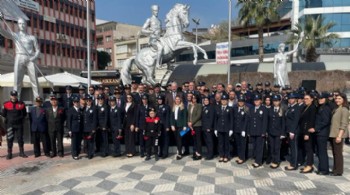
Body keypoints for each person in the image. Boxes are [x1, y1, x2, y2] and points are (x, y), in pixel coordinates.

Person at [0, 17, 40, 98]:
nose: (22, 25)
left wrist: (34, 57)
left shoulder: (32, 37)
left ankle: (37, 98)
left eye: (23, 23)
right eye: (20, 23)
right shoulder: (15, 35)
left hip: (30, 58)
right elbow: (3, 32)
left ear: (26, 25)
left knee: (34, 80)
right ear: (18, 25)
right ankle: (16, 98)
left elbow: (38, 50)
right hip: (19, 56)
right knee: (17, 81)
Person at [2, 90, 27, 159]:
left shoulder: (21, 104)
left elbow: (24, 114)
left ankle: (21, 152)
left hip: (19, 125)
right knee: (9, 139)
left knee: (20, 139)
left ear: (17, 96)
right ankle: (9, 153)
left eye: (15, 95)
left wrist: (20, 119)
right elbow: (3, 114)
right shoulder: (6, 104)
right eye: (12, 95)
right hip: (10, 125)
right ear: (10, 96)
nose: (14, 97)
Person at [329, 93, 349, 176]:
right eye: (336, 98)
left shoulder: (344, 109)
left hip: (338, 134)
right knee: (335, 153)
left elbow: (344, 124)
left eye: (339, 98)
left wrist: (339, 136)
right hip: (333, 133)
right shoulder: (337, 108)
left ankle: (339, 170)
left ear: (343, 99)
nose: (337, 100)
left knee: (338, 153)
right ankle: (335, 169)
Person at [248, 94, 268, 168]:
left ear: (260, 101)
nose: (256, 101)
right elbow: (250, 121)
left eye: (258, 100)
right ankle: (256, 158)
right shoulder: (251, 109)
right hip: (253, 131)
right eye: (255, 100)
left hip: (260, 132)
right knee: (255, 146)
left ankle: (258, 161)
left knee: (260, 147)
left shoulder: (264, 109)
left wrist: (263, 132)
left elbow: (265, 122)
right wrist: (249, 131)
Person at [314, 92, 332, 175]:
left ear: (326, 99)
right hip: (319, 133)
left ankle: (324, 170)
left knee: (322, 152)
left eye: (322, 98)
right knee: (319, 152)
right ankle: (322, 168)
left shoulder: (325, 108)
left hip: (322, 133)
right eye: (319, 98)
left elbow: (325, 121)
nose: (320, 100)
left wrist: (316, 128)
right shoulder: (320, 107)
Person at [299, 93, 317, 174]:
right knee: (306, 148)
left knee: (309, 149)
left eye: (307, 98)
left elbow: (311, 121)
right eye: (304, 98)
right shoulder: (306, 107)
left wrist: (307, 134)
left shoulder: (312, 108)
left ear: (312, 99)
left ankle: (309, 165)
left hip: (308, 132)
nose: (305, 100)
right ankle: (308, 164)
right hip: (303, 130)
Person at [214, 94, 233, 163]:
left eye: (225, 100)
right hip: (219, 128)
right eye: (222, 100)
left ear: (227, 101)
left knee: (226, 143)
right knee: (220, 143)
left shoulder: (230, 109)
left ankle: (226, 156)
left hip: (227, 129)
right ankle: (221, 155)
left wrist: (231, 129)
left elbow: (231, 120)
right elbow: (216, 119)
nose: (224, 101)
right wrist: (215, 129)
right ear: (221, 101)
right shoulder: (217, 108)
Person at [268, 95, 286, 169]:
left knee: (277, 148)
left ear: (279, 101)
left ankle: (276, 161)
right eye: (274, 101)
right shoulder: (270, 109)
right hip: (271, 132)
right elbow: (268, 121)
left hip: (278, 132)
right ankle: (273, 159)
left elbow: (283, 122)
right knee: (272, 147)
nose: (275, 102)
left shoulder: (282, 110)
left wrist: (282, 133)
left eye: (277, 101)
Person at [284, 93, 301, 171]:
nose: (290, 100)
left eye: (292, 98)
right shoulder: (290, 107)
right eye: (289, 98)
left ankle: (294, 164)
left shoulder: (296, 108)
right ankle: (293, 161)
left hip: (293, 131)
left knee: (294, 148)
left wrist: (292, 131)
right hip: (289, 130)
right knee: (291, 147)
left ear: (295, 99)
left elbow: (296, 120)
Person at [233, 95, 249, 164]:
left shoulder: (246, 109)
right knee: (238, 144)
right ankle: (240, 156)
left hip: (243, 130)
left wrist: (244, 130)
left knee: (243, 144)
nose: (241, 103)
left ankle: (242, 158)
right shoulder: (235, 109)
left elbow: (246, 121)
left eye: (242, 101)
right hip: (236, 129)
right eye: (240, 101)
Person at [170, 95, 188, 160]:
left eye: (178, 99)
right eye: (176, 99)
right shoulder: (173, 107)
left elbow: (185, 117)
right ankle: (179, 150)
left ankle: (179, 154)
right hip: (175, 126)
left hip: (181, 126)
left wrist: (185, 125)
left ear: (180, 100)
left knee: (180, 139)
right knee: (177, 139)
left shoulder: (183, 107)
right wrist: (172, 125)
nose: (177, 100)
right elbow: (171, 117)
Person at [67, 96, 83, 160]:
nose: (76, 103)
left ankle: (78, 152)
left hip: (79, 128)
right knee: (74, 142)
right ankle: (74, 154)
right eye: (75, 102)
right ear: (73, 103)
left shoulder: (80, 109)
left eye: (77, 102)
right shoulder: (71, 110)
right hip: (74, 129)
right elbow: (69, 120)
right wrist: (69, 130)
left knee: (79, 142)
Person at [188, 94, 202, 160]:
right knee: (194, 140)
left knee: (198, 139)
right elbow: (188, 115)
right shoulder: (190, 105)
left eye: (195, 98)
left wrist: (191, 122)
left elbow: (198, 115)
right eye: (192, 98)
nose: (194, 99)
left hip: (197, 125)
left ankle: (198, 153)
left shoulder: (199, 105)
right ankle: (195, 152)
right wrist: (188, 122)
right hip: (191, 126)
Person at [83, 95, 98, 159]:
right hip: (85, 128)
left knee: (91, 141)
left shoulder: (93, 108)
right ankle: (88, 152)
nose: (88, 102)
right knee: (86, 141)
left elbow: (95, 120)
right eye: (87, 101)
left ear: (91, 101)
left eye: (89, 100)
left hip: (91, 128)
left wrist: (94, 128)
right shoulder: (84, 108)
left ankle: (91, 154)